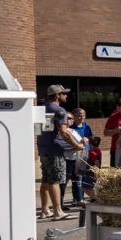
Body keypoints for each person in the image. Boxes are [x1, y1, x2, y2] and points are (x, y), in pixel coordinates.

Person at [38, 85, 78, 220]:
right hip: (55, 150)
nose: (66, 96)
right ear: (57, 95)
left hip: (43, 148)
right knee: (55, 180)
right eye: (63, 94)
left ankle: (44, 210)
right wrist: (76, 145)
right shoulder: (59, 110)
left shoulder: (41, 108)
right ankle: (58, 212)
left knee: (46, 179)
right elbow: (63, 132)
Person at [58, 112, 87, 208]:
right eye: (68, 118)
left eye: (71, 118)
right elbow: (62, 145)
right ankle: (60, 203)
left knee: (78, 180)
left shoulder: (73, 131)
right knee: (63, 182)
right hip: (66, 159)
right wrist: (76, 146)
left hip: (76, 158)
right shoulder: (60, 132)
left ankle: (79, 200)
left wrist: (84, 140)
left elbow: (80, 142)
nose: (70, 120)